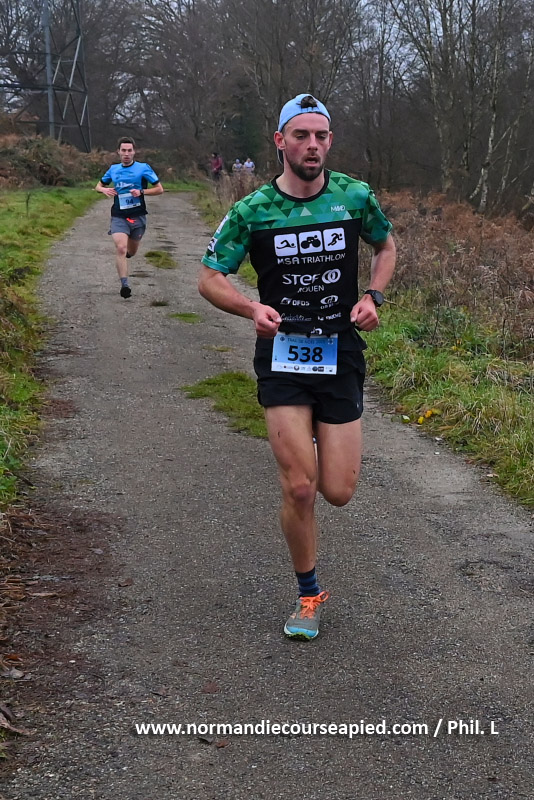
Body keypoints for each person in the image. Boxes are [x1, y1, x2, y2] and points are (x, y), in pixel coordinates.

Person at [198, 93, 396, 640]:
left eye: (321, 136)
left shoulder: (354, 196)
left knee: (338, 490)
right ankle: (308, 595)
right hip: (283, 355)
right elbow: (209, 277)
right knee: (301, 488)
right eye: (301, 135)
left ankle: (313, 441)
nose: (312, 145)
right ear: (280, 141)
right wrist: (250, 308)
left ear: (330, 141)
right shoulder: (253, 209)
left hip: (340, 350)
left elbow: (385, 247)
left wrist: (374, 296)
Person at [95, 137, 164, 299]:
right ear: (118, 152)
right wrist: (104, 190)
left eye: (129, 150)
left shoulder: (143, 168)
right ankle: (125, 285)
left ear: (134, 152)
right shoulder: (113, 169)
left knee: (131, 251)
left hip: (138, 216)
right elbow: (98, 185)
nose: (126, 154)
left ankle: (127, 256)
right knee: (121, 248)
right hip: (118, 215)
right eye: (123, 150)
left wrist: (141, 192)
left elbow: (159, 189)